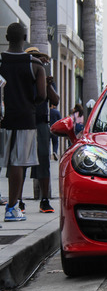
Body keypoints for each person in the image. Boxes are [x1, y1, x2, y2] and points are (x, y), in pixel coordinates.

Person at [0, 23, 46, 222]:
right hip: (25, 118)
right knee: (18, 163)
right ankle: (12, 208)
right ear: (25, 36)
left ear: (6, 36)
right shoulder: (35, 64)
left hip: (2, 117)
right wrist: (30, 104)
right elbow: (42, 95)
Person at [25, 46, 59, 213]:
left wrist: (47, 85)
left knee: (44, 160)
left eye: (38, 57)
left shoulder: (43, 77)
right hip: (24, 122)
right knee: (20, 162)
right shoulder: (22, 76)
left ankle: (44, 199)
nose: (36, 60)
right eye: (32, 57)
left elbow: (56, 100)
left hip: (41, 123)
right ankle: (17, 201)